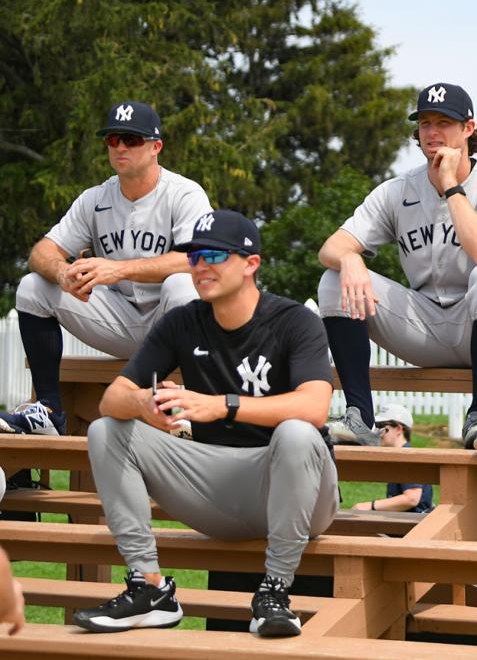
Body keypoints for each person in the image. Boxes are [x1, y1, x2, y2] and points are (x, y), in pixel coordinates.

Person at [73, 210, 338, 638]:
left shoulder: (294, 321)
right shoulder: (183, 320)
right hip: (216, 482)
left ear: (251, 264)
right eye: (194, 256)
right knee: (107, 428)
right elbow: (110, 399)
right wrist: (143, 402)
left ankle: (274, 593)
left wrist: (223, 406)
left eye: (215, 254)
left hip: (296, 489)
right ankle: (150, 587)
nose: (201, 266)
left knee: (296, 432)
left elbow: (315, 408)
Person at [316, 83, 477, 448]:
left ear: (469, 128)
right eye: (425, 122)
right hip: (424, 324)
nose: (432, 132)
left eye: (445, 122)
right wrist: (350, 258)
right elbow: (331, 246)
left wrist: (449, 186)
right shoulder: (398, 190)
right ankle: (360, 417)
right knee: (333, 279)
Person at [6, 102, 211, 435]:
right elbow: (42, 252)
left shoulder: (184, 194)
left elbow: (197, 261)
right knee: (33, 286)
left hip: (173, 325)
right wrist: (62, 272)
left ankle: (188, 404)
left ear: (156, 146)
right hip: (119, 320)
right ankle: (48, 411)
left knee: (182, 285)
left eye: (131, 139)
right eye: (112, 139)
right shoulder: (95, 198)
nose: (119, 147)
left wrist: (119, 269)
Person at [350, 403, 434, 514]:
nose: (378, 433)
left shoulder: (407, 456)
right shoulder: (400, 455)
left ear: (399, 429)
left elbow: (412, 498)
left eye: (383, 428)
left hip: (415, 526)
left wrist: (370, 506)